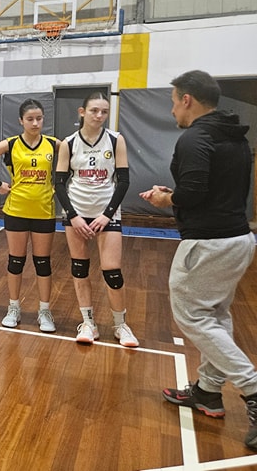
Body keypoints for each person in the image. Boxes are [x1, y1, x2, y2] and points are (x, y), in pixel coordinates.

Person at [140, 70, 257, 449]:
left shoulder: (195, 137)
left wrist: (166, 199)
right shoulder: (233, 136)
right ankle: (208, 390)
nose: (173, 109)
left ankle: (253, 389)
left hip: (208, 243)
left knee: (192, 315)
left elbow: (191, 192)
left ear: (187, 99)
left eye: (174, 101)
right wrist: (178, 194)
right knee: (216, 315)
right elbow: (210, 188)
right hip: (238, 239)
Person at [54, 93, 138, 347]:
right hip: (77, 213)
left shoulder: (115, 139)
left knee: (112, 272)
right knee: (80, 269)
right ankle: (88, 323)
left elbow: (123, 181)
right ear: (82, 112)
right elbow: (59, 184)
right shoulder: (69, 143)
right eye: (94, 111)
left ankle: (121, 325)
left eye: (104, 111)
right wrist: (73, 216)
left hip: (106, 213)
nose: (99, 116)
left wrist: (106, 214)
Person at [0, 98, 61, 332]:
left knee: (43, 263)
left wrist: (61, 184)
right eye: (30, 119)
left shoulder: (54, 144)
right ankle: (13, 308)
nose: (35, 123)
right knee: (16, 261)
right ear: (21, 121)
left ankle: (44, 311)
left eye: (39, 118)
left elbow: (75, 161)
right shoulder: (11, 144)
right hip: (16, 210)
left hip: (44, 211)